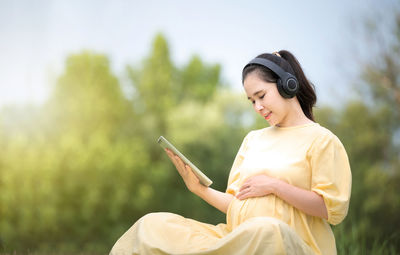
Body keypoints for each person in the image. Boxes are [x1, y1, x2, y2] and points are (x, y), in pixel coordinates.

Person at [110, 50, 352, 255]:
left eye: (261, 96)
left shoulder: (322, 141)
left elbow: (330, 209)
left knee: (268, 231)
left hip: (291, 244)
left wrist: (274, 186)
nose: (258, 107)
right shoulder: (253, 140)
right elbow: (237, 205)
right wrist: (199, 190)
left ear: (286, 85)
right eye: (251, 101)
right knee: (153, 224)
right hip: (239, 239)